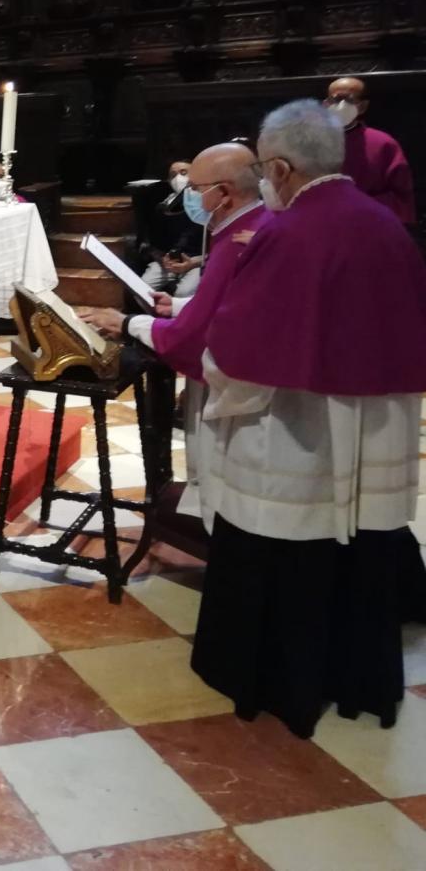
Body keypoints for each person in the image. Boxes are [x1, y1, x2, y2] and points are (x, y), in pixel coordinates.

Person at [191, 98, 426, 738]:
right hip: (378, 424)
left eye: (267, 169)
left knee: (287, 549)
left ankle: (277, 680)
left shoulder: (284, 233)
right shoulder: (385, 224)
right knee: (360, 548)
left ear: (284, 168)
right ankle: (357, 677)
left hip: (298, 433)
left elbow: (238, 349)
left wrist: (210, 373)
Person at [82, 142, 272, 515]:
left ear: (225, 192)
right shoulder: (248, 225)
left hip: (240, 385)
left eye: (197, 189)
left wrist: (127, 322)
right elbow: (223, 305)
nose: (190, 196)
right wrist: (180, 306)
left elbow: (193, 337)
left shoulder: (239, 239)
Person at [324, 76, 415, 225]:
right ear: (325, 104)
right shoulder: (309, 143)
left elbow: (401, 197)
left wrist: (356, 206)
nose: (341, 105)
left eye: (349, 100)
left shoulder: (384, 144)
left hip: (369, 226)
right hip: (322, 225)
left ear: (363, 106)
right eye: (335, 100)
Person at [139, 160, 204, 297]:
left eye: (184, 173)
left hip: (196, 262)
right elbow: (154, 245)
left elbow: (215, 249)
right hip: (169, 262)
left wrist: (193, 263)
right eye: (173, 175)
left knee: (183, 293)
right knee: (141, 289)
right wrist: (163, 259)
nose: (178, 178)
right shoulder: (162, 208)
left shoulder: (206, 204)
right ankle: (157, 316)